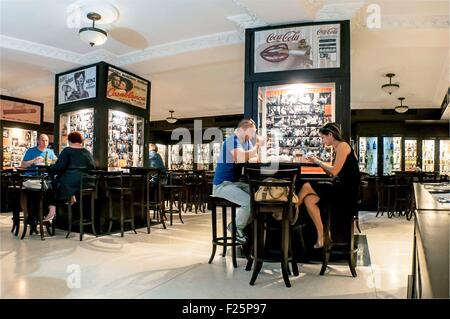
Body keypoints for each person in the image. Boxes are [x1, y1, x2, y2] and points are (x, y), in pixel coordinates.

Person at [296, 122, 360, 249]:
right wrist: (320, 163)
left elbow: (334, 171)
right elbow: (333, 174)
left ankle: (292, 209)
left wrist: (318, 162)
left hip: (346, 192)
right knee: (309, 200)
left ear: (330, 135)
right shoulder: (337, 148)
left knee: (306, 186)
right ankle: (322, 236)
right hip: (340, 187)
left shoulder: (343, 146)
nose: (322, 140)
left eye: (323, 137)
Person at [212, 118, 264, 244]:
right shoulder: (231, 140)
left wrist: (250, 153)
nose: (254, 136)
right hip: (221, 185)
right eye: (253, 132)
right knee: (249, 201)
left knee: (258, 196)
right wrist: (256, 146)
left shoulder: (245, 143)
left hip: (235, 184)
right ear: (244, 129)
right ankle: (236, 228)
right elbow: (241, 158)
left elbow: (255, 158)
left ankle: (238, 226)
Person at [44, 132, 95, 221]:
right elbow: (93, 167)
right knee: (61, 182)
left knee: (52, 185)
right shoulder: (87, 152)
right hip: (87, 183)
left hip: (72, 182)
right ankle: (70, 196)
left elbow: (59, 167)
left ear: (69, 140)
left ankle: (52, 210)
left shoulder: (67, 150)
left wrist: (49, 169)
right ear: (80, 141)